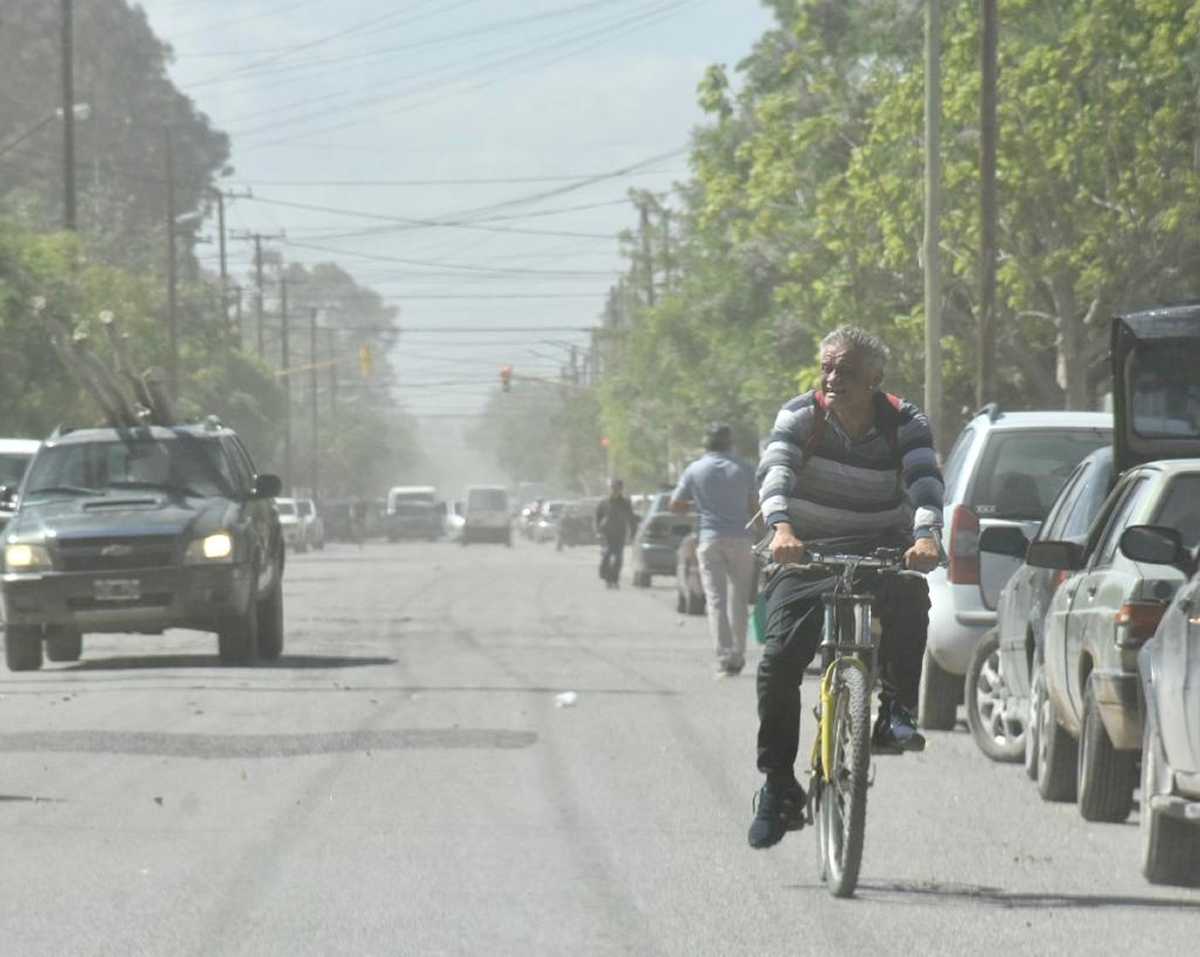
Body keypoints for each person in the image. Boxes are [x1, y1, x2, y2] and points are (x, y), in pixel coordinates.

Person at [747, 325, 944, 850]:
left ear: (875, 379)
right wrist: (782, 530)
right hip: (806, 549)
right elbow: (776, 473)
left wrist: (927, 536)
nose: (833, 378)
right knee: (779, 661)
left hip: (881, 546)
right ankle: (777, 786)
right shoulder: (800, 416)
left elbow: (925, 481)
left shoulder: (905, 420)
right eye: (827, 368)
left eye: (847, 371)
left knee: (910, 599)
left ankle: (897, 711)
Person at [669, 423, 757, 677]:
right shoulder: (744, 468)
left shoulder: (695, 469)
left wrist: (697, 504)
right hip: (742, 539)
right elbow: (755, 507)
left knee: (716, 600)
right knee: (739, 600)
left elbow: (675, 505)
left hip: (709, 539)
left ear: (706, 444)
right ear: (730, 443)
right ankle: (738, 655)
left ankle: (724, 655)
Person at [594, 478, 638, 589]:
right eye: (613, 488)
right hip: (606, 533)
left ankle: (614, 579)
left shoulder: (625, 503)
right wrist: (598, 531)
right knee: (607, 554)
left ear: (621, 489)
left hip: (620, 533)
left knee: (618, 558)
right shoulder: (604, 502)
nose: (615, 490)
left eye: (617, 488)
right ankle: (606, 576)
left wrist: (633, 533)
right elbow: (597, 518)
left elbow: (631, 518)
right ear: (610, 488)